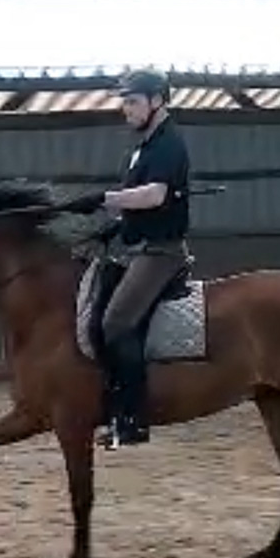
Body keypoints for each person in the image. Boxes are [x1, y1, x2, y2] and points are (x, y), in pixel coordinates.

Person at [60, 68, 192, 448]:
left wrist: (104, 199)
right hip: (135, 247)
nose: (127, 110)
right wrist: (114, 225)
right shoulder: (142, 148)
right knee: (96, 307)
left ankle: (133, 419)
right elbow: (137, 204)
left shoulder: (169, 143)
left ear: (157, 101)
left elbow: (154, 196)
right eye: (125, 103)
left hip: (160, 252)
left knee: (116, 322)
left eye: (133, 102)